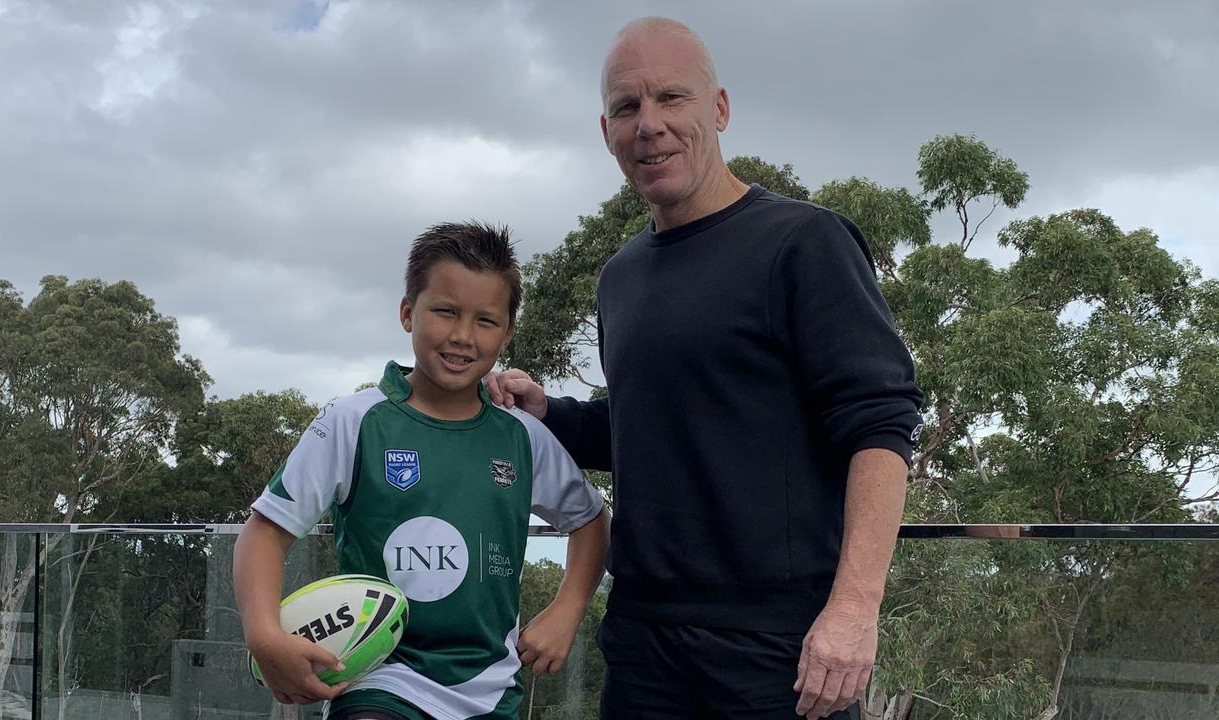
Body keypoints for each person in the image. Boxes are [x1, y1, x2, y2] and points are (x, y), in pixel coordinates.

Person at [487, 17, 923, 720]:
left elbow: (881, 426)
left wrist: (853, 609)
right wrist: (550, 414)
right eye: (627, 108)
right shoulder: (620, 277)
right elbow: (648, 427)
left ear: (718, 108)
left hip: (778, 652)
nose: (649, 125)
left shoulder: (804, 242)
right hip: (641, 645)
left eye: (671, 99)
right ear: (607, 133)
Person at [235, 222, 611, 720]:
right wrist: (264, 634)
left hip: (490, 690)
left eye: (485, 320)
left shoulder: (522, 434)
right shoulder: (353, 421)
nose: (462, 336)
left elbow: (591, 520)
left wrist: (566, 610)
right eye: (445, 311)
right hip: (379, 680)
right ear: (408, 313)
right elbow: (264, 532)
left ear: (508, 332)